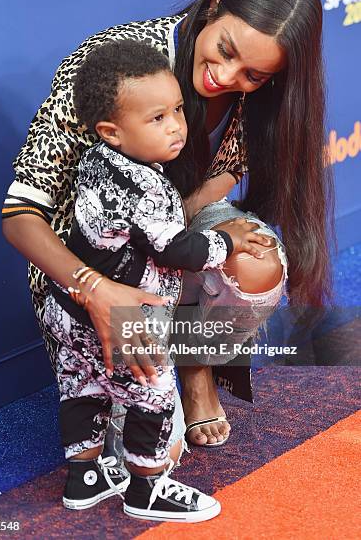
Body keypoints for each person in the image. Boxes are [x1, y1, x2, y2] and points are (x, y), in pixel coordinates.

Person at [2, 0, 334, 450]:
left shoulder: (259, 96)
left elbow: (229, 168)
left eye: (254, 75)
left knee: (259, 262)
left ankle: (195, 368)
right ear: (214, 5)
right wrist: (96, 288)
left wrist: (191, 234)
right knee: (151, 449)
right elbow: (20, 215)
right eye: (224, 50)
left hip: (173, 238)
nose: (226, 76)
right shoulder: (113, 65)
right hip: (91, 259)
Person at [45, 39, 273, 520]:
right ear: (111, 131)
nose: (177, 126)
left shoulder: (94, 163)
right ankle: (147, 487)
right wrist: (228, 241)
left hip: (67, 302)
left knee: (82, 387)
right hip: (123, 311)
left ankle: (83, 477)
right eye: (157, 119)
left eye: (176, 111)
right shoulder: (145, 185)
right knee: (152, 392)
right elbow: (179, 250)